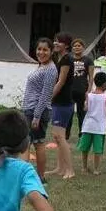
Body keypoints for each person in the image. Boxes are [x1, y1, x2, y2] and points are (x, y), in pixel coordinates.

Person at [20, 37, 57, 181]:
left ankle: (39, 177)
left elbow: (46, 94)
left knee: (37, 143)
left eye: (45, 50)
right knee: (29, 143)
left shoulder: (50, 69)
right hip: (30, 109)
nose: (41, 52)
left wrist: (36, 116)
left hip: (37, 111)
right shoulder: (42, 66)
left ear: (51, 51)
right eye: (39, 49)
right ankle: (29, 176)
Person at [47, 32, 75, 179]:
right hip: (59, 102)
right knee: (58, 137)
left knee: (60, 136)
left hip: (63, 102)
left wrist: (48, 98)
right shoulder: (60, 58)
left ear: (67, 45)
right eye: (55, 41)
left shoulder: (66, 60)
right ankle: (59, 168)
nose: (56, 43)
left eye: (59, 42)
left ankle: (70, 170)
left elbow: (61, 82)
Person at [77, 72, 106, 174]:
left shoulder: (89, 95)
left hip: (87, 126)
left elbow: (85, 109)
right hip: (99, 128)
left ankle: (84, 167)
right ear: (105, 84)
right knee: (98, 150)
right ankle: (96, 169)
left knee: (84, 148)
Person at [68, 38, 94, 139]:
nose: (77, 47)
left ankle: (82, 134)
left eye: (79, 46)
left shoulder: (88, 60)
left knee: (81, 114)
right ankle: (66, 134)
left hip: (82, 90)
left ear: (83, 47)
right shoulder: (68, 59)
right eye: (75, 46)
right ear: (72, 48)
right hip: (69, 91)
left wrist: (89, 91)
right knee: (69, 113)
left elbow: (91, 77)